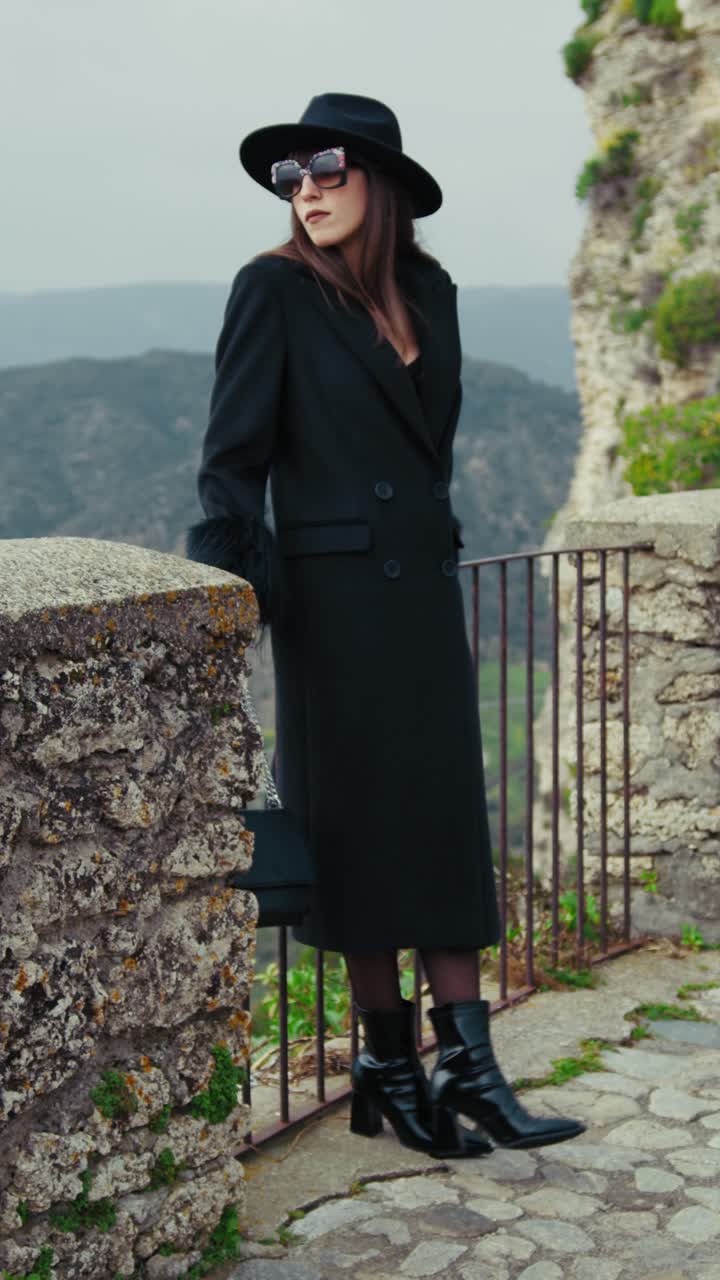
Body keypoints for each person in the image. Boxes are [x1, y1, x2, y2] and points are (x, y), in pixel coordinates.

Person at [186, 93, 585, 1159]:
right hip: (332, 613)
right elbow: (231, 467)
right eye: (292, 177)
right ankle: (388, 1062)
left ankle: (471, 1067)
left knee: (444, 827)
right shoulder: (271, 290)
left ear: (381, 183)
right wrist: (246, 597)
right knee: (362, 841)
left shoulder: (429, 292)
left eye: (327, 169)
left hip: (419, 604)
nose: (306, 190)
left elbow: (427, 460)